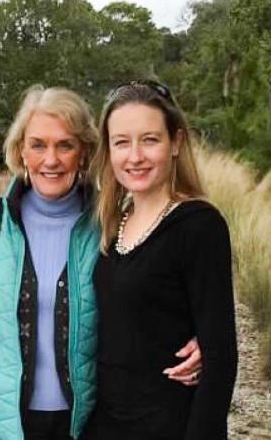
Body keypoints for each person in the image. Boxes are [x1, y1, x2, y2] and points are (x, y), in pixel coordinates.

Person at [0, 85, 203, 440]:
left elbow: (150, 300)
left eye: (65, 145)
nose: (50, 160)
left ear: (84, 152)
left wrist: (200, 336)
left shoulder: (113, 223)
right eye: (38, 144)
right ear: (21, 150)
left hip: (88, 428)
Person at [80, 81, 238, 440]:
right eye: (122, 142)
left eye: (150, 139)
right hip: (105, 423)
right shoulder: (111, 222)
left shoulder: (199, 225)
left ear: (176, 143)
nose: (134, 156)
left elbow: (221, 357)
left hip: (167, 423)